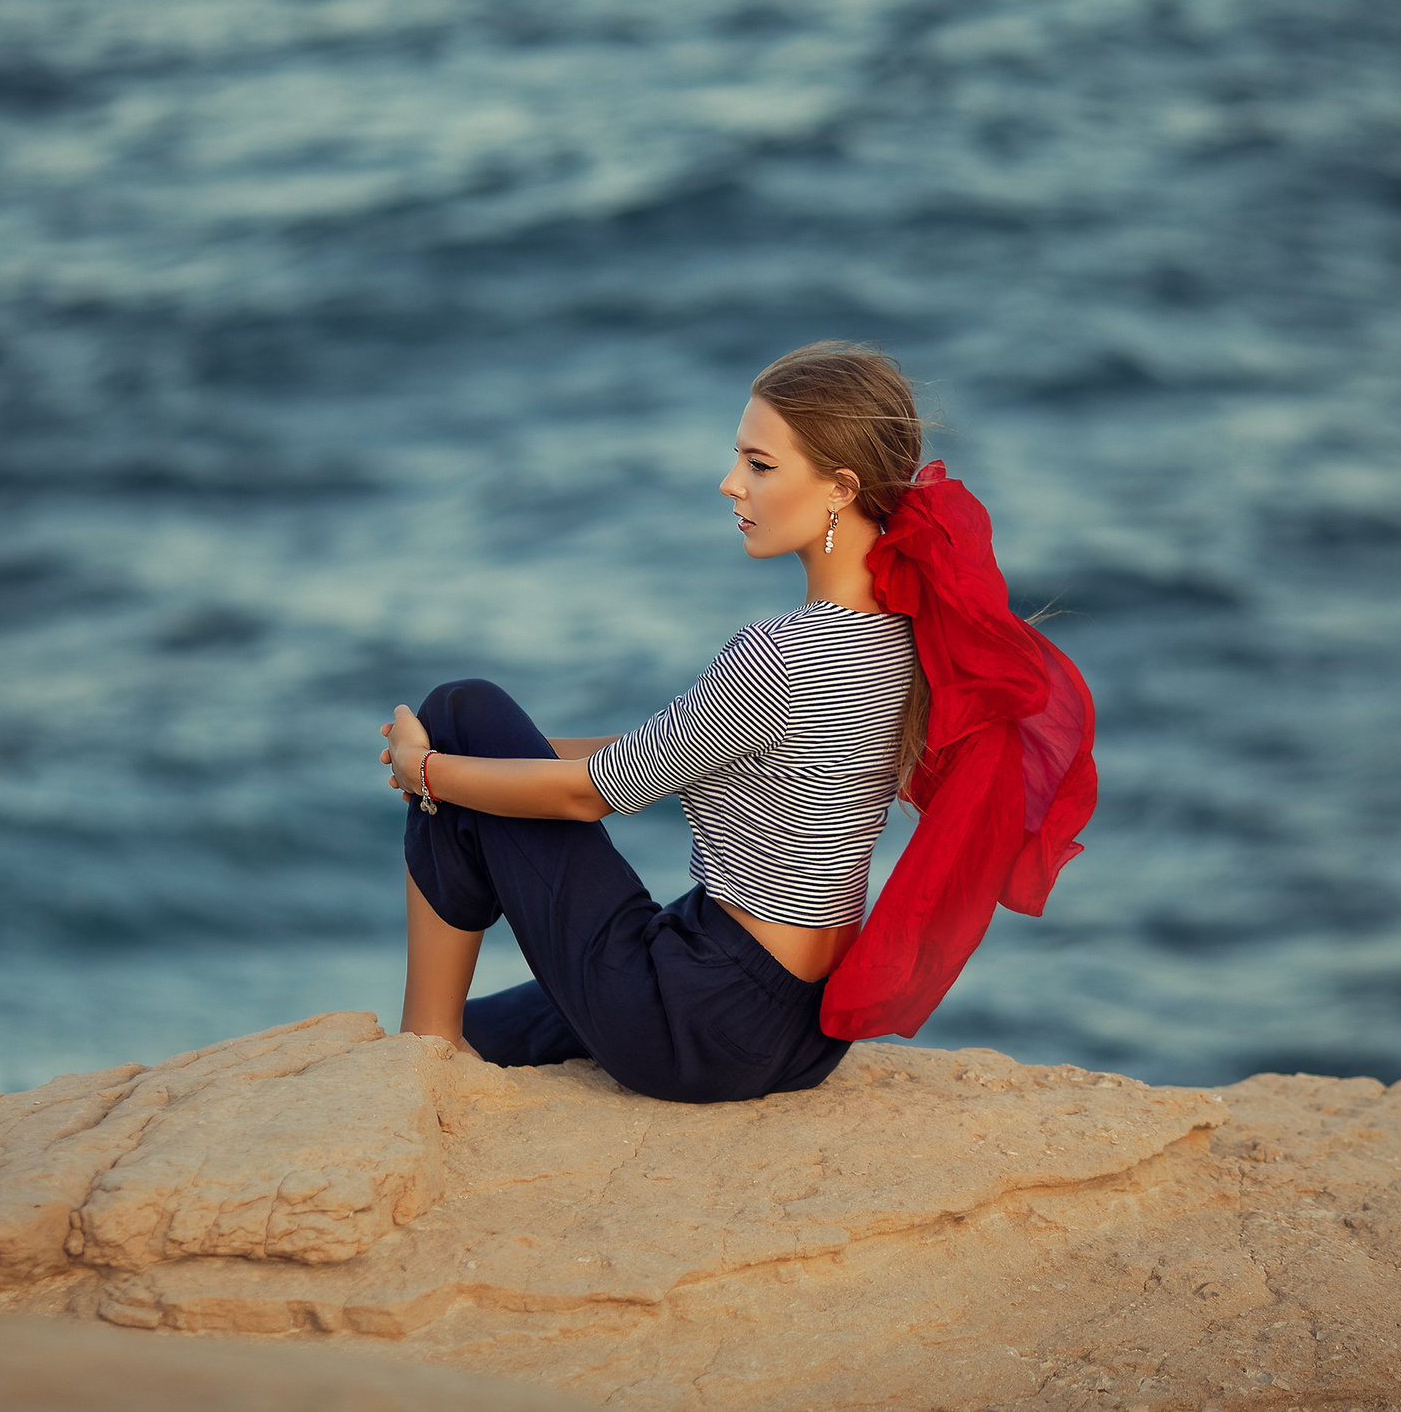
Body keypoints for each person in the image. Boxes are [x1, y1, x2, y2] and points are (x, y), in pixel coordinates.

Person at [380, 341, 1096, 1105]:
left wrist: (427, 770)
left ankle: (425, 1052)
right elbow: (660, 752)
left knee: (460, 706)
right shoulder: (905, 636)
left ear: (839, 489)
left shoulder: (782, 656)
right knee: (502, 1014)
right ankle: (450, 1039)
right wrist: (469, 759)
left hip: (700, 1016)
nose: (731, 485)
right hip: (802, 1030)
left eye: (760, 464)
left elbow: (590, 793)